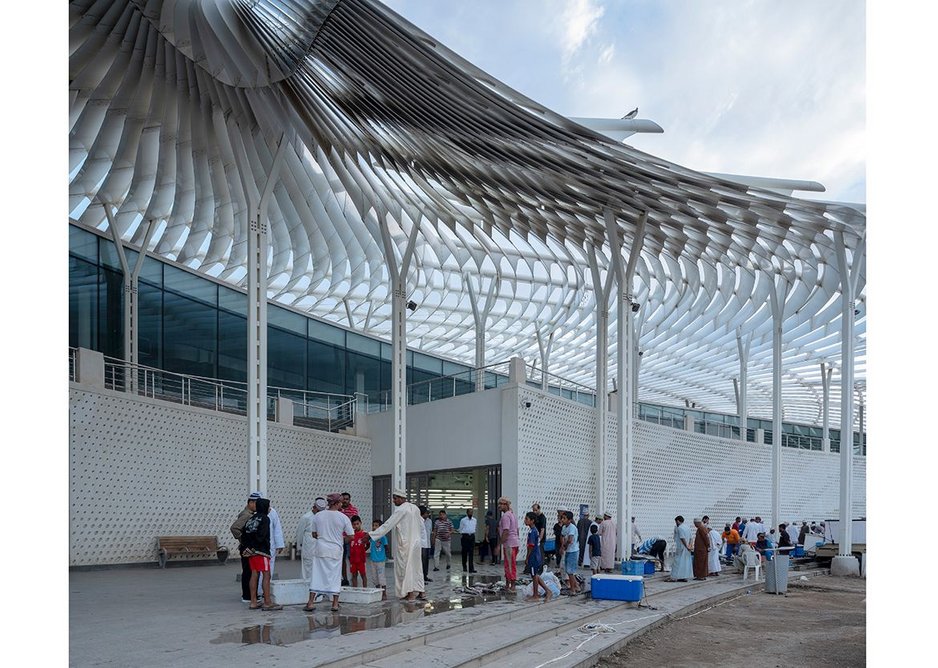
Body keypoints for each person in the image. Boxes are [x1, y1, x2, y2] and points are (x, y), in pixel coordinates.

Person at [370, 488, 426, 601]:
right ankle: (421, 592)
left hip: (405, 544)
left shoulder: (401, 510)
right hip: (416, 543)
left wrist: (372, 535)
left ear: (401, 498)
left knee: (406, 569)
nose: (393, 501)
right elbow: (421, 524)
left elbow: (388, 525)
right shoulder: (415, 508)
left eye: (395, 498)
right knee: (417, 568)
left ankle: (410, 593)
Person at [305, 493, 353, 613]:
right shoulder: (343, 517)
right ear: (336, 503)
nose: (342, 504)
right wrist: (341, 540)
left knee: (317, 575)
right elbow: (351, 536)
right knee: (335, 577)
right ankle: (335, 604)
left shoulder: (318, 516)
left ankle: (310, 602)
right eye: (341, 502)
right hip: (335, 550)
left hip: (321, 548)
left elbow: (314, 534)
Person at [241, 497, 282, 610]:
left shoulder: (251, 518)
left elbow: (244, 534)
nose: (269, 509)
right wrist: (257, 547)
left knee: (254, 574)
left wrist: (248, 548)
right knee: (266, 575)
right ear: (264, 507)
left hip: (251, 552)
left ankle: (253, 601)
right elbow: (262, 535)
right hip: (261, 551)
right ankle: (267, 602)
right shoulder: (265, 519)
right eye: (268, 506)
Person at [230, 491, 260, 603]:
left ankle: (251, 595)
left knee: (250, 571)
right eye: (256, 503)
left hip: (248, 547)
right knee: (248, 571)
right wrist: (244, 540)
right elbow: (234, 528)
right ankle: (247, 596)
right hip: (246, 547)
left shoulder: (250, 514)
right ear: (251, 502)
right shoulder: (246, 515)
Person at [296, 497, 326, 583]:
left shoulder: (323, 517)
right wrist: (299, 547)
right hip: (308, 547)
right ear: (314, 507)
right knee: (307, 568)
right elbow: (300, 533)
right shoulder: (306, 517)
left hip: (319, 547)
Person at [524, 511, 550, 600]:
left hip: (533, 556)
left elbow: (530, 546)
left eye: (526, 519)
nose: (525, 520)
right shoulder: (535, 530)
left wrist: (527, 557)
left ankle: (535, 595)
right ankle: (547, 590)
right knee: (535, 575)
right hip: (536, 555)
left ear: (532, 521)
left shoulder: (532, 531)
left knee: (534, 576)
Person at [498, 496, 520, 590]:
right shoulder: (512, 515)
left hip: (509, 544)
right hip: (514, 543)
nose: (499, 506)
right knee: (508, 564)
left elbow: (506, 532)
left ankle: (512, 585)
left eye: (501, 504)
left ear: (506, 505)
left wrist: (499, 544)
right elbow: (517, 529)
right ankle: (508, 583)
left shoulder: (506, 516)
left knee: (510, 565)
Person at [339, 492, 359, 586]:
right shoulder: (338, 510)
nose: (345, 501)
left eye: (347, 499)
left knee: (352, 559)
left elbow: (355, 524)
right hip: (340, 538)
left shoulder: (354, 510)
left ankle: (354, 577)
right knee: (342, 559)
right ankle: (345, 579)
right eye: (343, 499)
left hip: (351, 538)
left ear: (349, 500)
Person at [667, 515, 693, 582]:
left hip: (681, 547)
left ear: (678, 521)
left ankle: (674, 577)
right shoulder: (687, 527)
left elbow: (682, 538)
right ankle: (683, 577)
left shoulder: (680, 528)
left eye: (676, 521)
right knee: (685, 563)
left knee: (677, 562)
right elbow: (691, 538)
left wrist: (686, 546)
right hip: (687, 548)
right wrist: (690, 546)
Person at [368, 519, 389, 597]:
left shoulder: (383, 537)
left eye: (376, 526)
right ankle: (377, 592)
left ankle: (384, 593)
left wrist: (386, 556)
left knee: (381, 577)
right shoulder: (372, 537)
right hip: (373, 560)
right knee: (374, 577)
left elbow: (386, 547)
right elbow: (368, 544)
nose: (374, 527)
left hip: (380, 560)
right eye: (373, 525)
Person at [560, 511, 580, 594]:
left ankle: (573, 589)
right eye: (562, 518)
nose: (562, 520)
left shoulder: (572, 528)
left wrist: (564, 547)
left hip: (573, 551)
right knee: (569, 571)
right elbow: (562, 536)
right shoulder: (564, 527)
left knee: (570, 571)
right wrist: (562, 546)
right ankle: (577, 586)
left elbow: (570, 540)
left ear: (570, 520)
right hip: (568, 550)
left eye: (564, 518)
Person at [348, 515, 369, 588]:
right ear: (352, 525)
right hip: (353, 559)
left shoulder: (364, 534)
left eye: (357, 524)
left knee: (363, 575)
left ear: (360, 523)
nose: (356, 526)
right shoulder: (351, 534)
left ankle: (365, 589)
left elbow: (368, 545)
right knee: (354, 575)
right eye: (354, 524)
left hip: (361, 559)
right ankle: (355, 590)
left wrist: (363, 550)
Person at [459, 508, 477, 573]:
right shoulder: (463, 520)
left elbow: (474, 528)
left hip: (472, 536)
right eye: (469, 512)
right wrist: (464, 534)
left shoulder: (474, 520)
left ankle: (471, 568)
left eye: (472, 512)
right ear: (467, 513)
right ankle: (464, 567)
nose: (471, 513)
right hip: (465, 536)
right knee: (464, 552)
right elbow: (460, 529)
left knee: (471, 553)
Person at [419, 505, 432, 582]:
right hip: (421, 545)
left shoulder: (429, 521)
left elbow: (429, 532)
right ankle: (421, 579)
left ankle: (425, 576)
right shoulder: (418, 521)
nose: (427, 515)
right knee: (421, 562)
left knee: (426, 561)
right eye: (426, 513)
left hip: (427, 544)